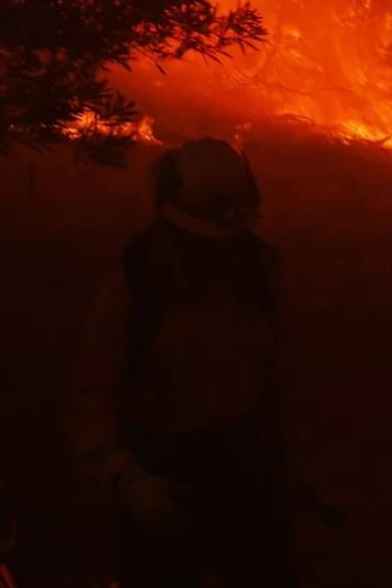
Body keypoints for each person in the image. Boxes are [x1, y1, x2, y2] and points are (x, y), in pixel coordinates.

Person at [66, 136, 293, 588]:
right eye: (206, 238)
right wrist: (126, 478)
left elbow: (278, 369)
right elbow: (92, 394)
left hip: (242, 463)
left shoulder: (261, 272)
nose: (221, 251)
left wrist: (278, 457)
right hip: (160, 473)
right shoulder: (136, 286)